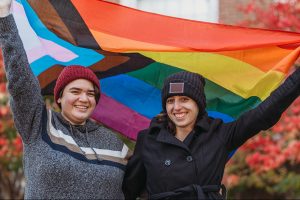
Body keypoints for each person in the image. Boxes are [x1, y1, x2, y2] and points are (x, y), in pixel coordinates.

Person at [0, 0, 129, 199]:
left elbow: (146, 185)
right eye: (75, 91)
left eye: (90, 93)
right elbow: (20, 79)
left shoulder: (115, 145)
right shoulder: (38, 124)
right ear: (59, 97)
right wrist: (4, 17)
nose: (83, 98)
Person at [122, 67, 300, 199]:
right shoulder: (148, 139)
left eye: (184, 99)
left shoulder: (220, 134)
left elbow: (263, 114)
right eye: (170, 101)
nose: (177, 108)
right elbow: (128, 189)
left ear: (198, 104)